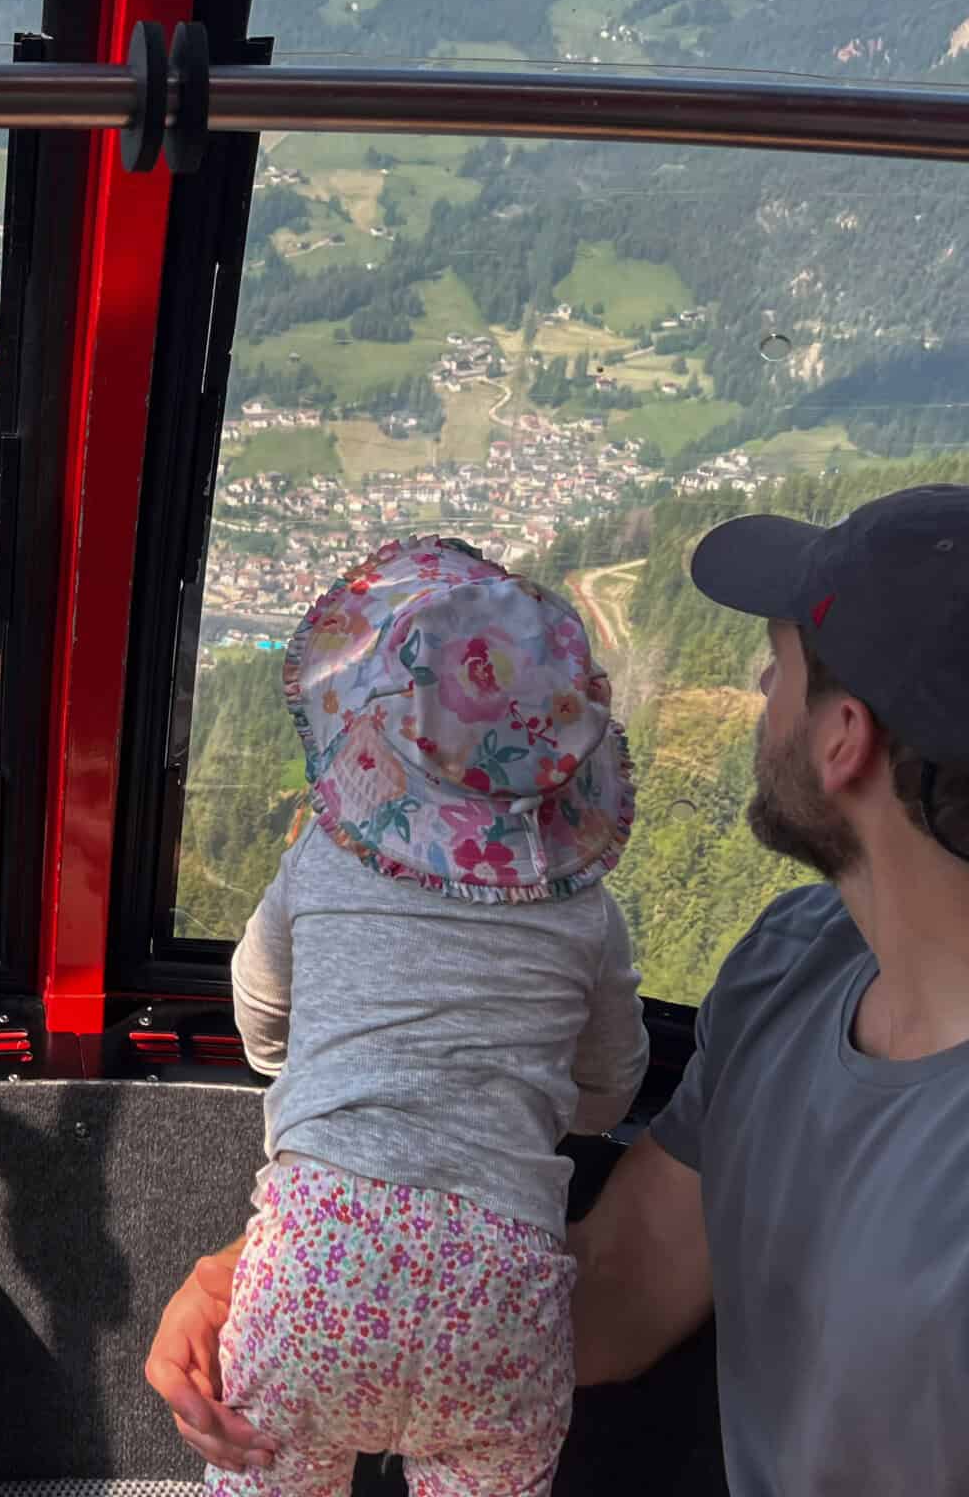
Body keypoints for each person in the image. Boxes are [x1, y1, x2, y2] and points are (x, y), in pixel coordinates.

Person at [149, 484, 969, 1495]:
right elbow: (612, 1290)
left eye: (781, 662)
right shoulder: (804, 962)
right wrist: (273, 1283)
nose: (755, 680)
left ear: (844, 739)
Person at [201, 534, 650, 1495]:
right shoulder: (586, 913)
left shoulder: (320, 862)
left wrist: (299, 1067)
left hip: (316, 1262)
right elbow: (610, 1093)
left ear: (380, 729)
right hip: (503, 1288)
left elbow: (258, 1008)